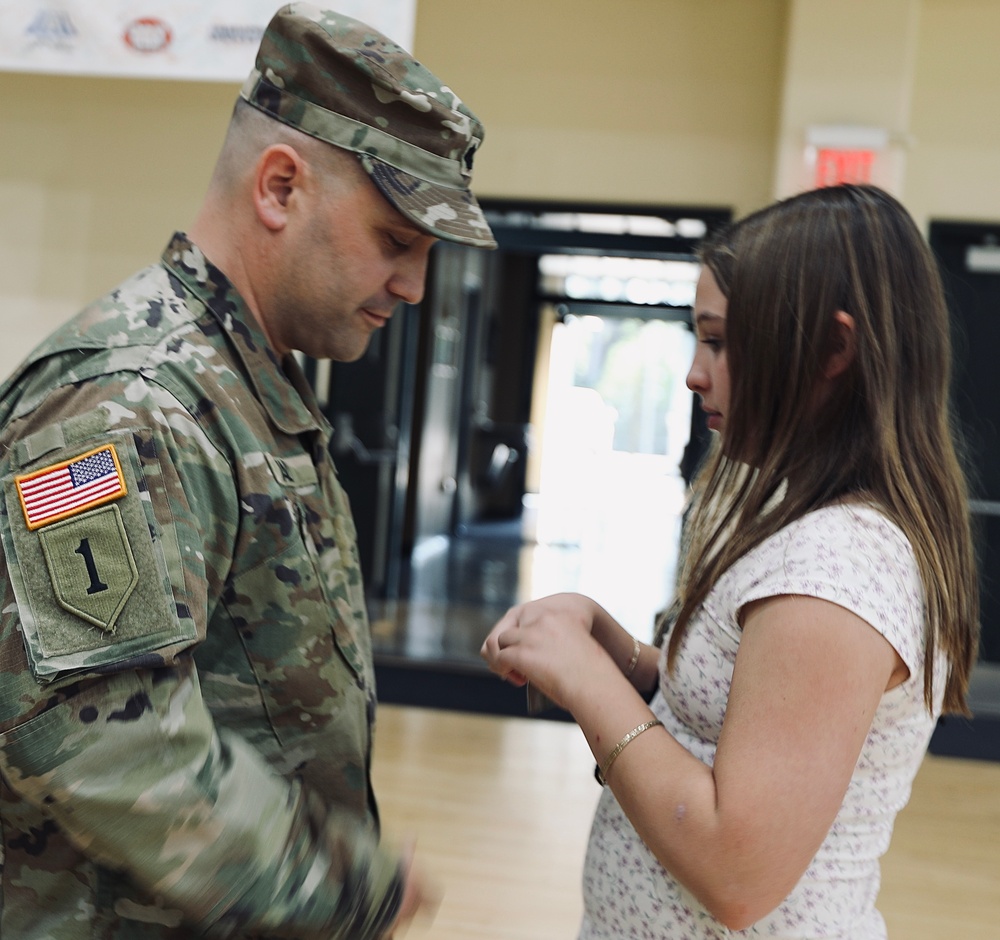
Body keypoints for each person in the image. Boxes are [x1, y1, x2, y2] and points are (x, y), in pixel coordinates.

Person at [0, 4, 495, 937]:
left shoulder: (239, 384)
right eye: (396, 241)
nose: (414, 287)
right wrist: (340, 888)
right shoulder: (130, 403)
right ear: (279, 186)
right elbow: (101, 740)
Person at [481, 184, 980, 939]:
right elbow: (734, 713)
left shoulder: (838, 566)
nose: (693, 373)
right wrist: (616, 651)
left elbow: (736, 872)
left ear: (833, 351)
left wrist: (585, 683)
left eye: (717, 341)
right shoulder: (802, 517)